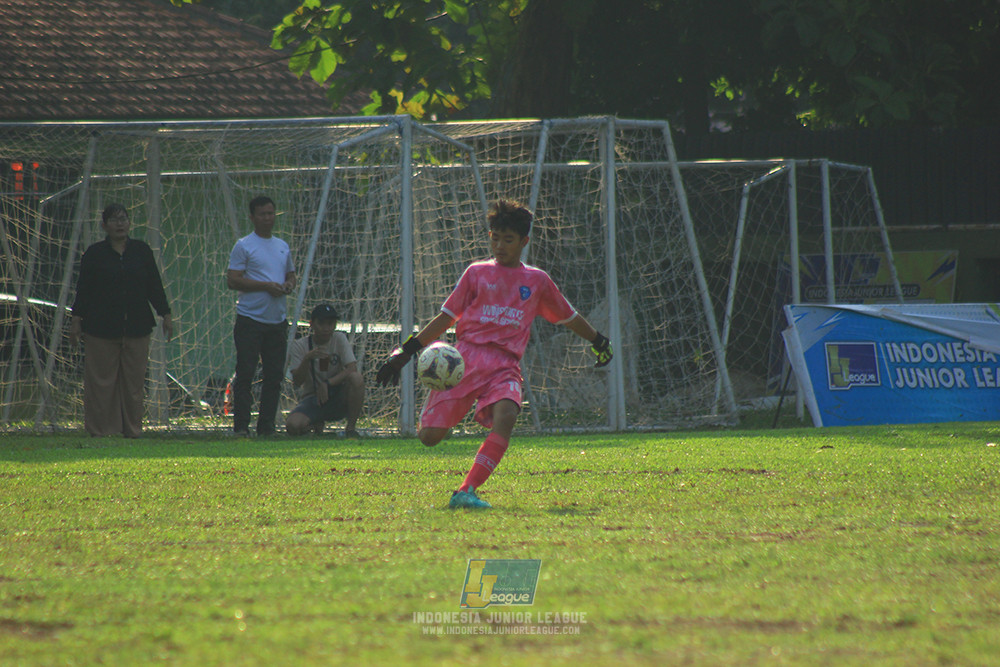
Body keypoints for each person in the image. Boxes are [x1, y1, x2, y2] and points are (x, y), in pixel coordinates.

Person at [376, 199, 613, 509]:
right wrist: (405, 353)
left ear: (524, 242)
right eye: (495, 237)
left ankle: (466, 491)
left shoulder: (537, 281)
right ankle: (444, 415)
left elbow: (569, 316)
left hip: (505, 366)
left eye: (509, 239)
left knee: (508, 416)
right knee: (430, 437)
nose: (500, 245)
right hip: (463, 362)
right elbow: (446, 317)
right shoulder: (477, 273)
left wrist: (598, 340)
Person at [69, 203, 173, 438]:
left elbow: (154, 286)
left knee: (134, 383)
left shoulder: (141, 251)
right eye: (114, 220)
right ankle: (100, 431)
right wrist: (76, 320)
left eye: (124, 219)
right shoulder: (94, 254)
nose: (120, 224)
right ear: (104, 225)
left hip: (137, 327)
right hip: (100, 328)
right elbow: (83, 290)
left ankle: (132, 430)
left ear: (129, 223)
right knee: (101, 383)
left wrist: (165, 313)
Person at [226, 195, 296, 437]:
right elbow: (232, 280)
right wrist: (265, 286)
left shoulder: (282, 246)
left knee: (274, 377)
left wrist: (287, 285)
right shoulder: (244, 245)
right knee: (245, 373)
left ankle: (266, 427)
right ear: (253, 217)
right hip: (250, 320)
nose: (268, 218)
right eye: (263, 214)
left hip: (277, 322)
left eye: (271, 213)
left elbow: (291, 275)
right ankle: (241, 427)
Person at [285, 304, 365, 437]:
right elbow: (297, 382)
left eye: (330, 324)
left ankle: (351, 429)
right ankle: (314, 424)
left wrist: (328, 383)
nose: (326, 329)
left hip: (337, 396)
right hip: (313, 398)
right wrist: (307, 359)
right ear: (312, 324)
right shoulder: (300, 345)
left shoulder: (339, 338)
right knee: (293, 426)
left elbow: (352, 368)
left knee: (356, 378)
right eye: (321, 324)